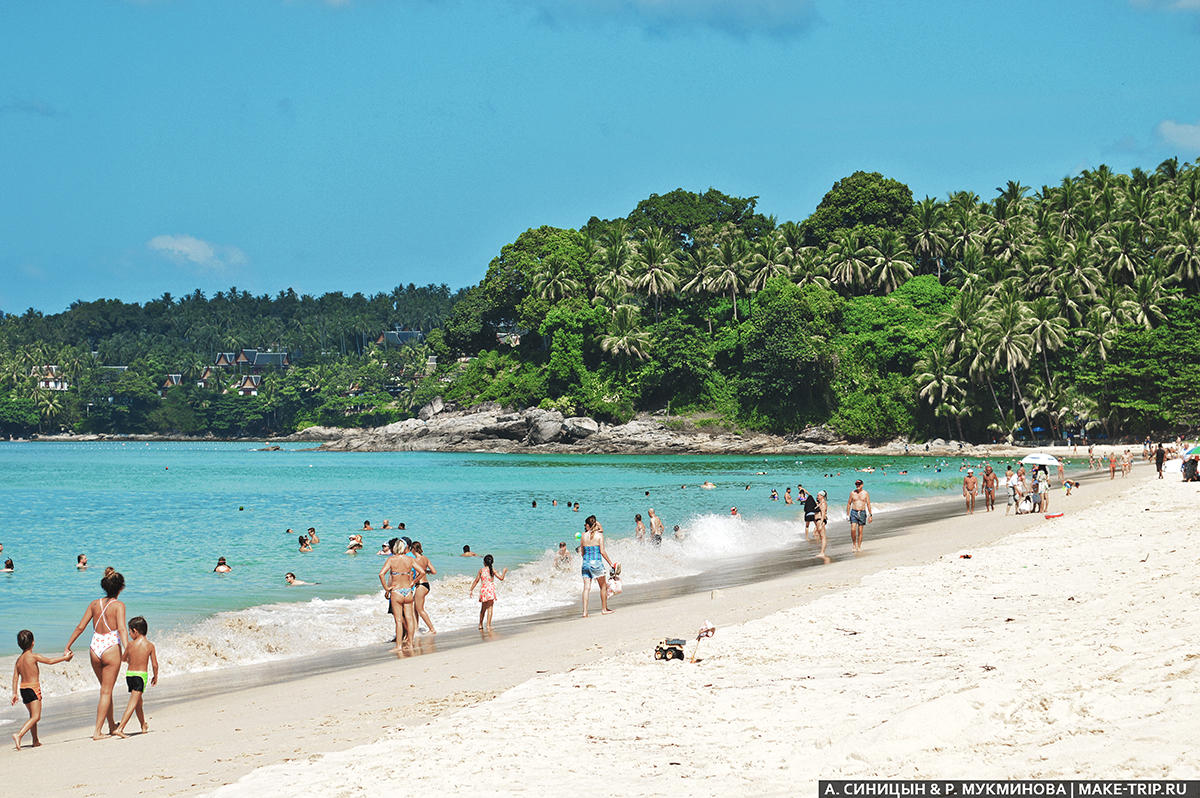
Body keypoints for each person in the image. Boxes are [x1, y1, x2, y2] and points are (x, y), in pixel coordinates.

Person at [65, 569, 128, 740]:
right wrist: (128, 649)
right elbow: (122, 629)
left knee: (105, 690)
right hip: (110, 646)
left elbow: (80, 627)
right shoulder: (119, 605)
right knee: (106, 692)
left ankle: (111, 725)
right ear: (121, 588)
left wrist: (68, 645)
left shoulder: (94, 604)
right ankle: (97, 732)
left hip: (95, 646)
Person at [10, 630, 73, 750]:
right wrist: (65, 658)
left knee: (32, 715)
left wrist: (14, 693)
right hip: (33, 689)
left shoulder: (18, 661)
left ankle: (35, 740)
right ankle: (19, 735)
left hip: (23, 689)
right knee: (36, 717)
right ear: (33, 643)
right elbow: (50, 661)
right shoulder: (34, 656)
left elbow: (15, 678)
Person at [113, 616, 158, 738]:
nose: (129, 634)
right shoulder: (150, 645)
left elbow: (123, 659)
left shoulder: (130, 645)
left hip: (129, 676)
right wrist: (155, 676)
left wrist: (131, 661)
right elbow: (154, 664)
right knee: (133, 703)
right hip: (140, 676)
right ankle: (120, 728)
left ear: (135, 631)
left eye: (130, 632)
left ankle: (143, 725)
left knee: (138, 702)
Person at [379, 540, 420, 649]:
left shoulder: (391, 559)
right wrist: (413, 582)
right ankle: (410, 644)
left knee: (398, 621)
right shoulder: (410, 559)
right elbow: (422, 572)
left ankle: (398, 646)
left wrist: (386, 588)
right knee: (410, 618)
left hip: (396, 591)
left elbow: (381, 574)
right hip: (408, 591)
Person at [578, 516, 616, 617]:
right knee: (603, 587)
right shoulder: (599, 536)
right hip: (597, 564)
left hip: (585, 563)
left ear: (587, 525)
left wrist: (587, 561)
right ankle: (604, 609)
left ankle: (585, 612)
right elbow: (602, 552)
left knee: (586, 588)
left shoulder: (583, 535)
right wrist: (611, 564)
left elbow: (582, 552)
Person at [469, 554, 508, 631]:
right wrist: (504, 572)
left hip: (483, 590)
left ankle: (480, 624)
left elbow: (476, 581)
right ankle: (488, 625)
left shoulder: (481, 570)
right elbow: (501, 578)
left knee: (483, 609)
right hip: (490, 590)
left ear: (484, 562)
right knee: (490, 608)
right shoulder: (492, 570)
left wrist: (471, 590)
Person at [409, 541, 437, 635]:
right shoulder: (425, 558)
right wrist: (426, 571)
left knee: (420, 609)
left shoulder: (415, 560)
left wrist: (413, 581)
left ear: (413, 549)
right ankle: (416, 628)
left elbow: (417, 573)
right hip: (426, 585)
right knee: (415, 608)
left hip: (420, 585)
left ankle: (432, 629)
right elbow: (434, 571)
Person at [846, 479, 872, 553]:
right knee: (853, 529)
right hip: (854, 512)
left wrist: (870, 515)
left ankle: (859, 546)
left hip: (862, 512)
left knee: (860, 531)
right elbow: (849, 503)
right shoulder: (852, 493)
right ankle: (854, 544)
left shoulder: (865, 493)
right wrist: (847, 514)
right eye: (856, 484)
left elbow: (868, 504)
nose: (857, 485)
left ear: (862, 485)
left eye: (859, 484)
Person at [815, 490, 829, 558]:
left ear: (822, 496)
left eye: (818, 495)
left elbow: (823, 514)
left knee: (823, 537)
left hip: (821, 520)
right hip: (819, 520)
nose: (817, 497)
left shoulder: (823, 503)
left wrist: (821, 523)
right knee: (821, 537)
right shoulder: (820, 503)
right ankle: (821, 551)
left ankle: (822, 552)